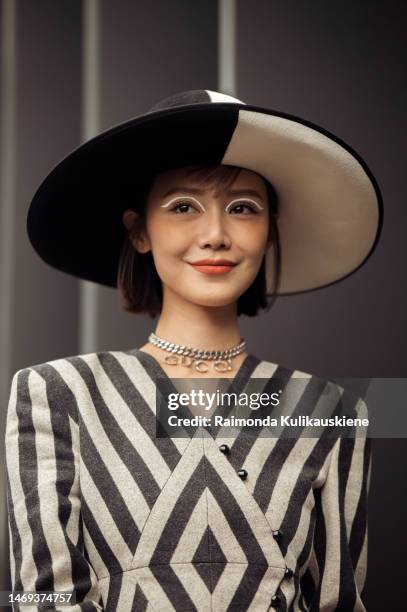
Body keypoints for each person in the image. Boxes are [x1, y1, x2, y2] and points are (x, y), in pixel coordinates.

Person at [5, 90, 382, 611]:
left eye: (243, 209)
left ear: (269, 231)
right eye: (183, 206)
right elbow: (39, 599)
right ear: (139, 232)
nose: (215, 234)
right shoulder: (57, 394)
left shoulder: (334, 411)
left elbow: (341, 602)